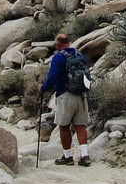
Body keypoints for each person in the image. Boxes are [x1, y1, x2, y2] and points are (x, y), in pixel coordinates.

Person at [38, 33, 91, 166]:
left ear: (58, 45)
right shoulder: (80, 55)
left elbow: (53, 77)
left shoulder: (58, 57)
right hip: (81, 95)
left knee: (64, 126)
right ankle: (85, 156)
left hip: (65, 96)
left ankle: (68, 157)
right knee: (80, 126)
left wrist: (43, 88)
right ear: (69, 42)